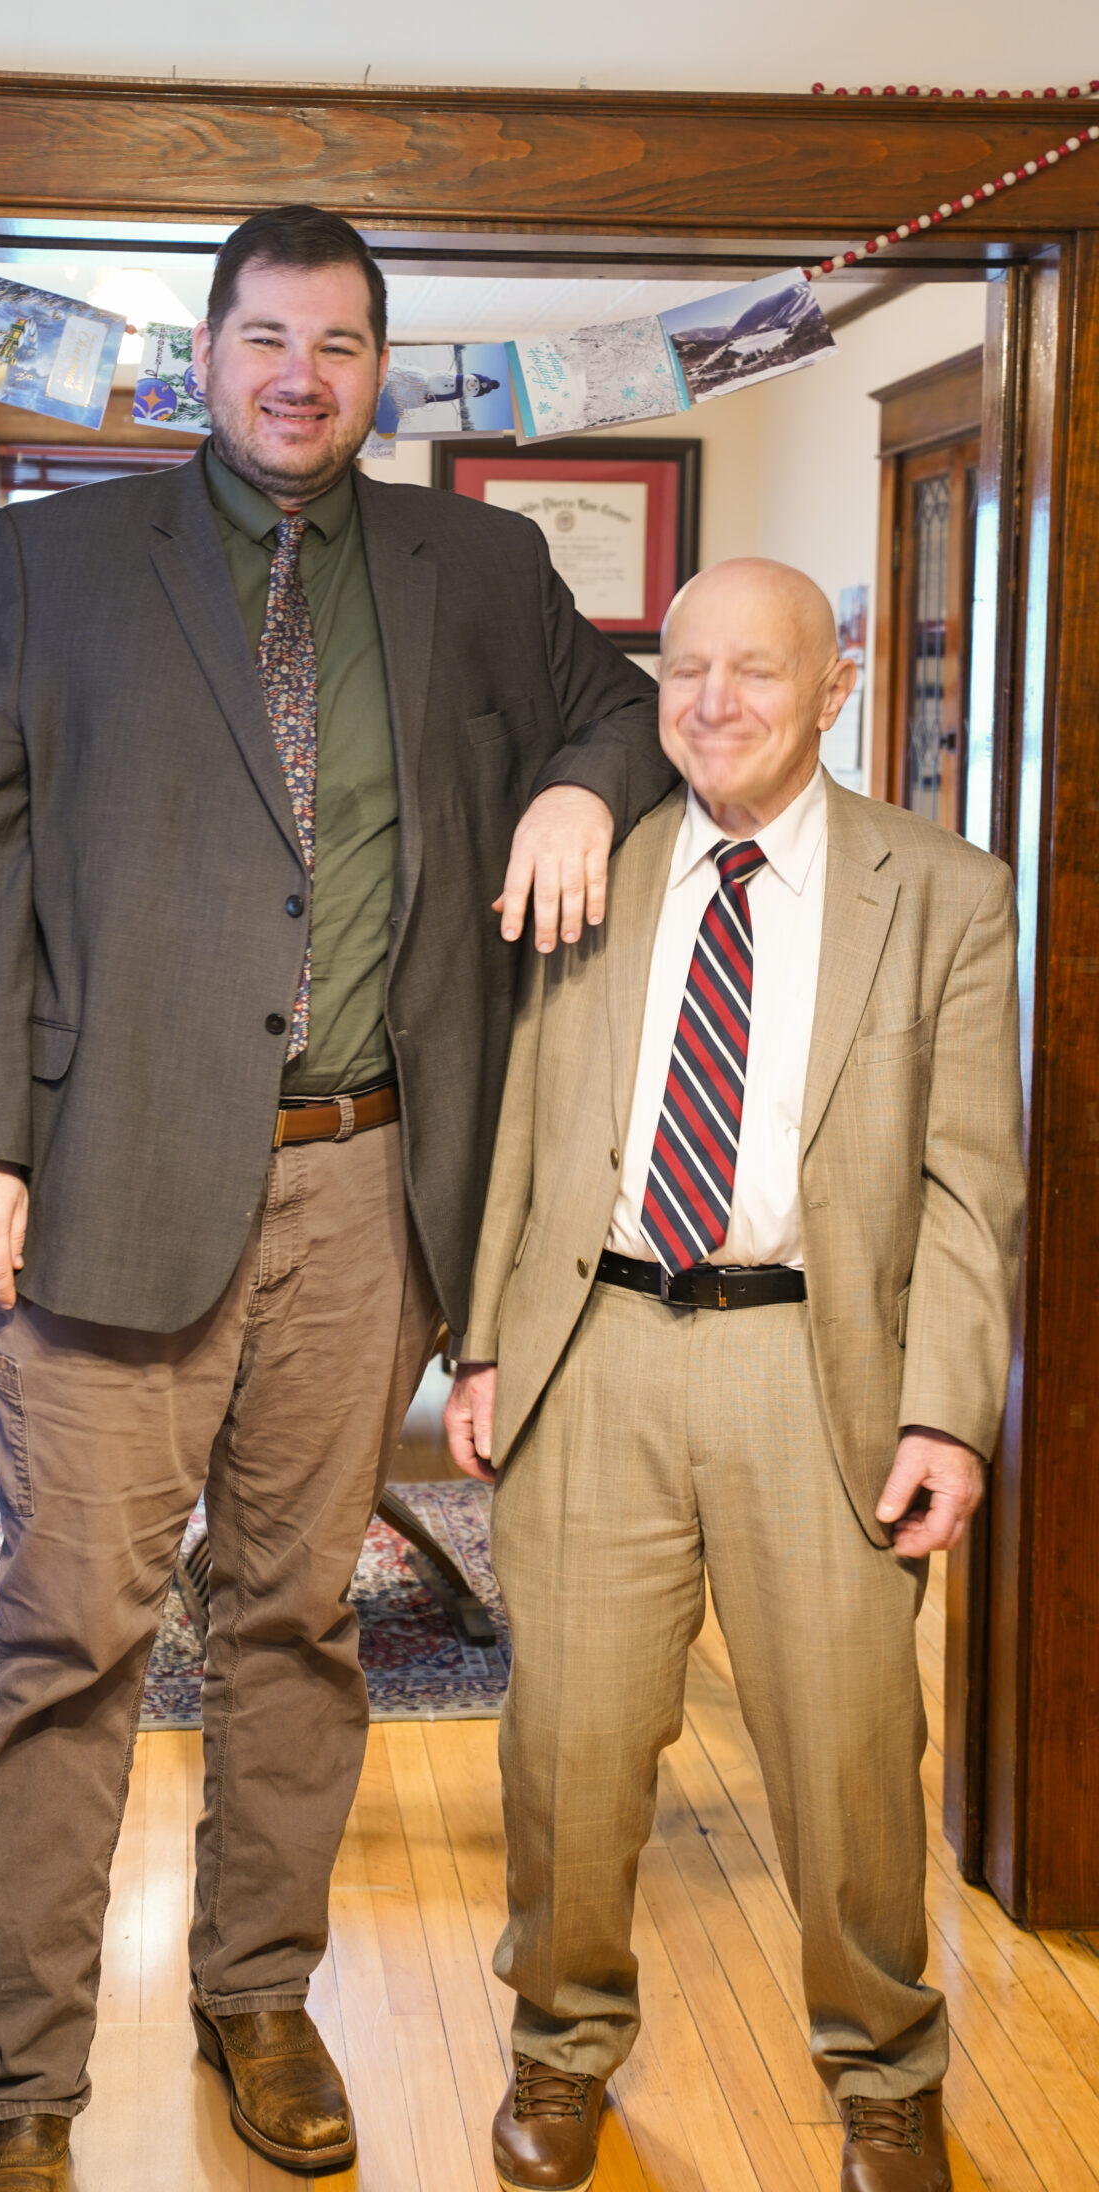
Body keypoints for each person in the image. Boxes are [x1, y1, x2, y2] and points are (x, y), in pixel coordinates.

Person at [0, 204, 676, 2188]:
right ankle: (23, 2086)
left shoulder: (480, 564)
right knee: (70, 1633)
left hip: (364, 1183)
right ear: (204, 352)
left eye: (339, 343)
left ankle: (259, 1993)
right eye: (266, 336)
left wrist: (587, 783)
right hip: (98, 1186)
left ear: (380, 366)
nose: (299, 375)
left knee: (293, 1620)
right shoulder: (58, 555)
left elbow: (623, 708)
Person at [446, 559, 1023, 2192]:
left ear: (835, 686)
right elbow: (525, 1134)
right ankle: (559, 2055)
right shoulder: (592, 870)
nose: (711, 704)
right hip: (597, 1357)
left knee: (849, 1755)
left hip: (815, 1372)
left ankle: (887, 2074)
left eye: (754, 673)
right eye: (685, 670)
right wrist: (489, 1344)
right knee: (567, 1746)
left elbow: (976, 1185)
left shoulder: (945, 893)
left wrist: (947, 1412)